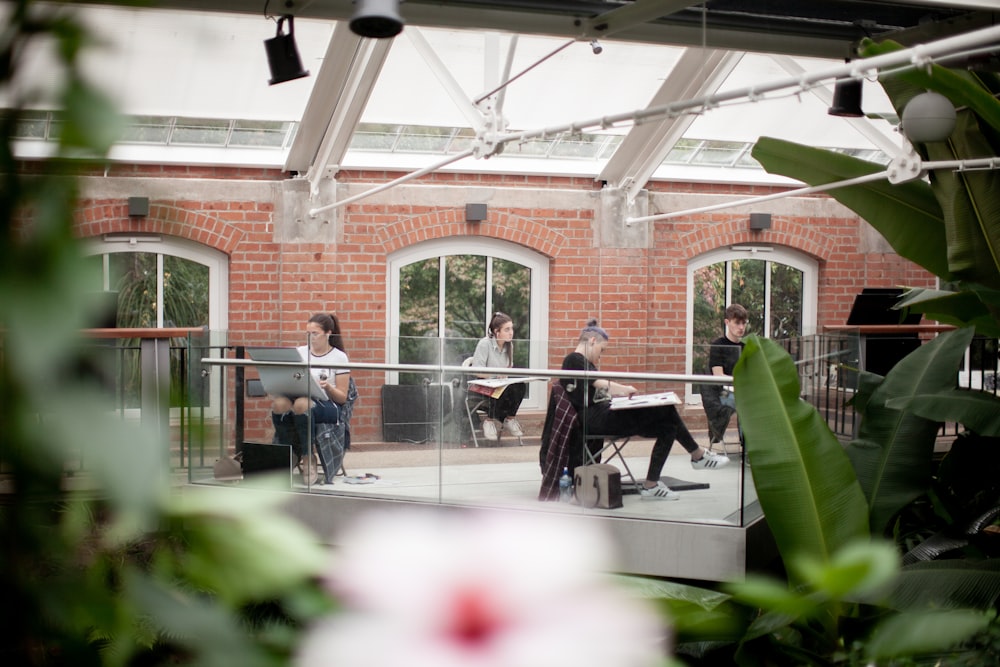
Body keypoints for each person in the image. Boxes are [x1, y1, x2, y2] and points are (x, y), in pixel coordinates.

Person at [561, 319, 728, 501]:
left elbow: (597, 390)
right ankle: (697, 455)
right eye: (602, 350)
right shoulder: (574, 359)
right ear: (592, 341)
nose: (600, 356)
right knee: (665, 410)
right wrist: (624, 389)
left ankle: (652, 485)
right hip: (594, 419)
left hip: (603, 414)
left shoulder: (583, 363)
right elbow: (598, 383)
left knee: (668, 427)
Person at [271, 313, 351, 483]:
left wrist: (328, 387)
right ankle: (286, 455)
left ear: (328, 333)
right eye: (307, 334)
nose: (310, 338)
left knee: (301, 404)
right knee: (279, 404)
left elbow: (342, 397)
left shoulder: (339, 356)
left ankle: (308, 457)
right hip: (299, 396)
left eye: (314, 334)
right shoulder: (299, 352)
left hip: (328, 404)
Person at [470, 311, 526, 441]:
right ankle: (488, 421)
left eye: (511, 328)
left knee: (520, 386)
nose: (511, 332)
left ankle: (509, 419)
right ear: (497, 331)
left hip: (500, 386)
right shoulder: (485, 344)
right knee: (501, 390)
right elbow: (477, 371)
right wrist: (496, 374)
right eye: (507, 329)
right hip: (483, 387)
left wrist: (505, 374)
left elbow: (508, 369)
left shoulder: (509, 345)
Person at [702, 304, 747, 449]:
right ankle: (748, 447)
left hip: (744, 391)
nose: (741, 327)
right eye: (737, 323)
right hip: (724, 393)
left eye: (743, 323)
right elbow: (718, 375)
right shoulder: (718, 345)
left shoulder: (747, 347)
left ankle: (752, 446)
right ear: (727, 322)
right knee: (746, 404)